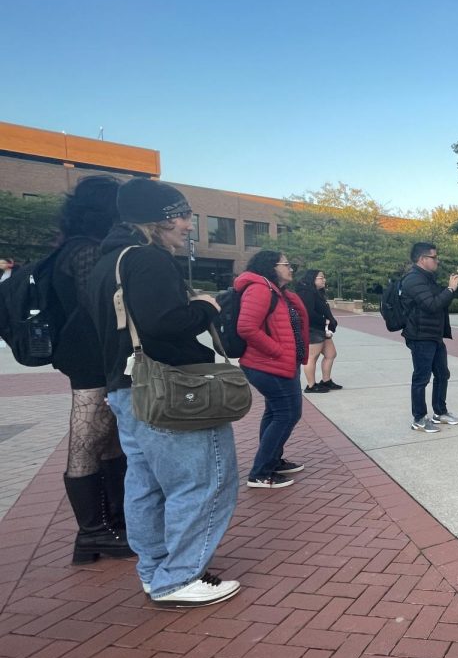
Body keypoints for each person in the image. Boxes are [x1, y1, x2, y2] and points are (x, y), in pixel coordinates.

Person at [87, 178, 240, 607]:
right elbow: (165, 324)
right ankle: (180, 576)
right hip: (170, 390)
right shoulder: (148, 260)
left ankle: (155, 572)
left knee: (146, 484)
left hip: (126, 389)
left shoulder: (107, 263)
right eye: (182, 216)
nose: (188, 226)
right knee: (204, 481)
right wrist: (207, 306)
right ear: (159, 219)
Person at [49, 176, 134, 564]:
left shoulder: (76, 246)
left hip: (92, 352)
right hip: (88, 354)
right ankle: (92, 532)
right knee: (88, 434)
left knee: (107, 435)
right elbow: (98, 307)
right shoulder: (85, 251)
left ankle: (114, 521)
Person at [235, 250, 309, 488]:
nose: (291, 269)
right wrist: (278, 351)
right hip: (268, 364)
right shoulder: (259, 289)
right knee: (288, 413)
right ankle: (261, 472)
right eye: (286, 264)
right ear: (270, 266)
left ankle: (272, 461)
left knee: (275, 412)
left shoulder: (278, 292)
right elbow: (246, 327)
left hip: (281, 363)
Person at [401, 241, 458, 433]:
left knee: (442, 374)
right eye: (434, 257)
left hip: (433, 335)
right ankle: (419, 418)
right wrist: (450, 289)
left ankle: (440, 412)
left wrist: (448, 290)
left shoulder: (427, 278)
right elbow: (432, 305)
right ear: (422, 259)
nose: (437, 261)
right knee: (421, 378)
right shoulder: (413, 280)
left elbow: (438, 303)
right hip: (420, 336)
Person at [295, 269, 341, 393]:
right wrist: (324, 321)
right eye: (321, 277)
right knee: (312, 357)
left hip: (320, 329)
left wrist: (330, 321)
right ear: (312, 279)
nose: (324, 279)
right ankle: (311, 385)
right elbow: (308, 313)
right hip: (312, 330)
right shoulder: (306, 293)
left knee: (331, 354)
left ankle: (326, 381)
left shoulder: (317, 292)